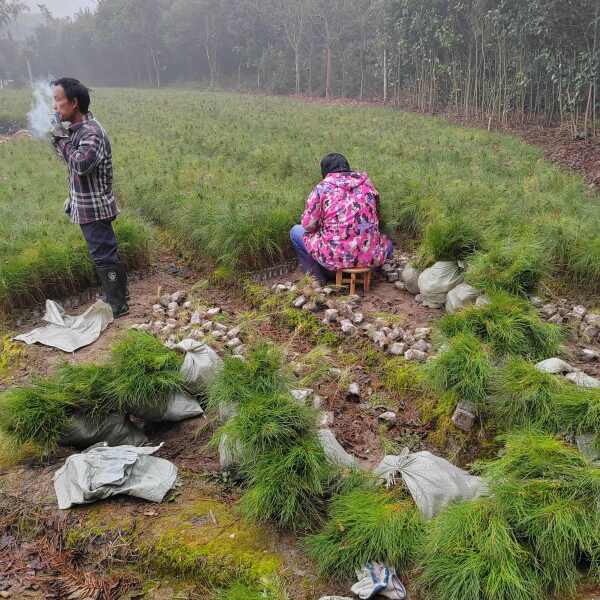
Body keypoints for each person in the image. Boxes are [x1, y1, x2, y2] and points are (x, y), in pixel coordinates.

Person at [50, 77, 129, 318]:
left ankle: (118, 303)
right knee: (103, 253)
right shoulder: (78, 131)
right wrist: (61, 138)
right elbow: (70, 160)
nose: (54, 106)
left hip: (95, 209)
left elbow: (81, 164)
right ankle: (115, 295)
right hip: (85, 206)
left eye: (58, 100)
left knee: (104, 254)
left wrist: (61, 140)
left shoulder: (91, 133)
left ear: (74, 103)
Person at [290, 153, 393, 285]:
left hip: (335, 258)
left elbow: (308, 225)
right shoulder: (367, 184)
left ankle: (316, 277)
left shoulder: (322, 188)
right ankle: (369, 271)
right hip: (369, 257)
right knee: (388, 244)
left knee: (295, 231)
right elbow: (376, 214)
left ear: (325, 171)